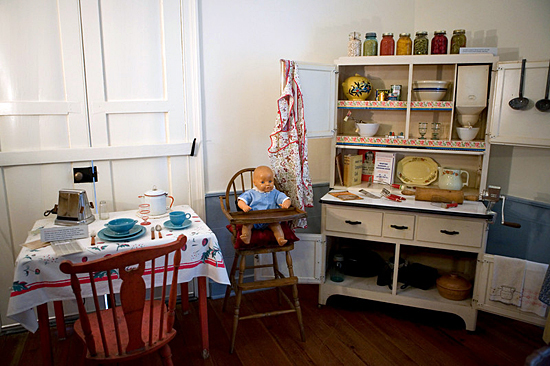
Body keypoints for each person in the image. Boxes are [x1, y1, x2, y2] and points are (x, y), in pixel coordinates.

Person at [237, 166, 291, 245]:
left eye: (270, 181)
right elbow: (241, 201)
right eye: (262, 182)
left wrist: (286, 204)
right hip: (254, 219)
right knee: (247, 225)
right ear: (255, 183)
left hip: (270, 219)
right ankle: (246, 236)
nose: (267, 184)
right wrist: (244, 206)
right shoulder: (251, 193)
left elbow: (286, 199)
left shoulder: (275, 193)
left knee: (276, 226)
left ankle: (280, 239)